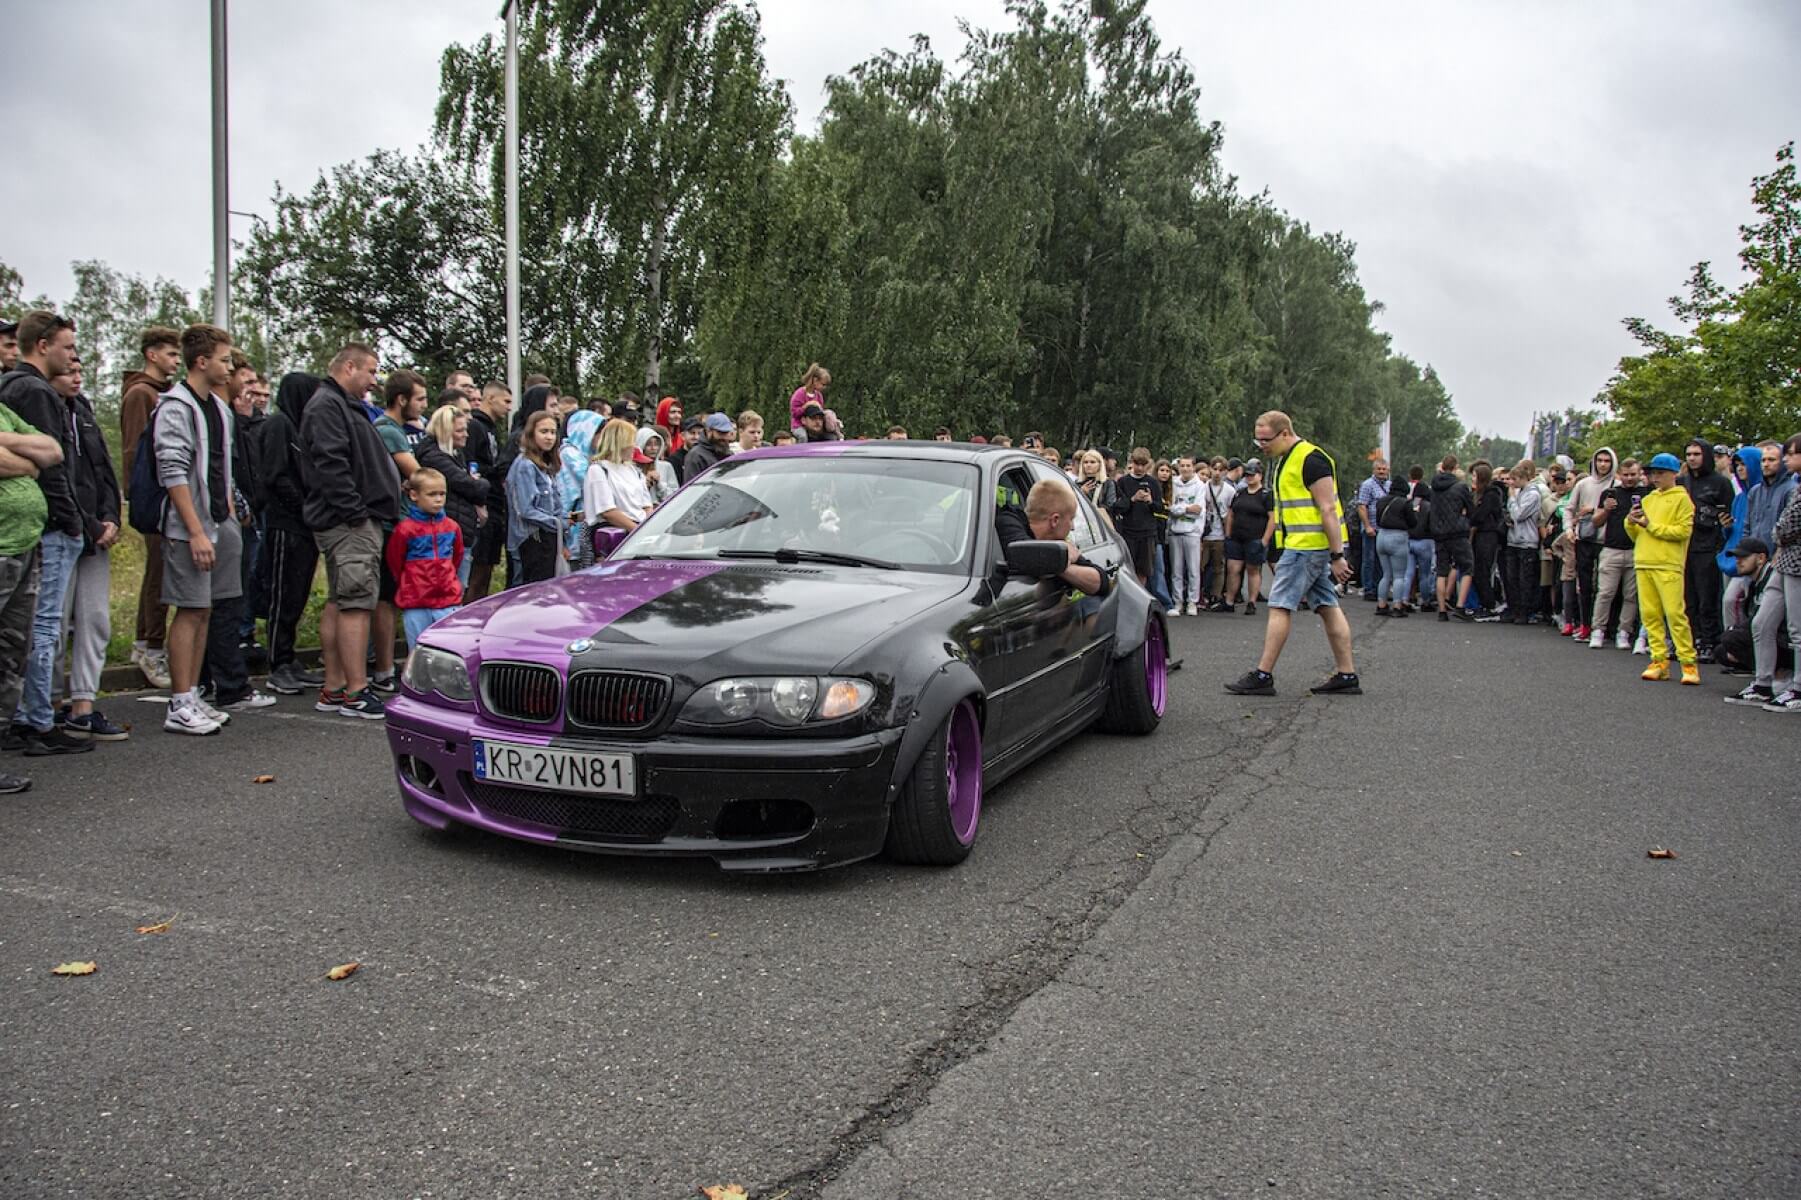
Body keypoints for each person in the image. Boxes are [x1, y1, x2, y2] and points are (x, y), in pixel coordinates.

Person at [0, 312, 92, 754]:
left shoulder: (24, 390)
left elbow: (50, 451)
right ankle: (35, 720)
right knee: (43, 628)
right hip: (47, 527)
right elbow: (48, 468)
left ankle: (25, 716)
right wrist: (71, 518)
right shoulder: (31, 390)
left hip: (42, 524)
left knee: (35, 629)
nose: (73, 356)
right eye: (68, 347)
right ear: (42, 346)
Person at [146, 324, 242, 735]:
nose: (230, 365)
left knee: (207, 609)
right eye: (224, 359)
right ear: (201, 362)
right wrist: (194, 530)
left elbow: (221, 466)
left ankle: (195, 694)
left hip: (221, 521)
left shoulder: (218, 408)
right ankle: (179, 701)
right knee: (189, 608)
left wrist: (230, 512)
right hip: (190, 528)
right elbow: (172, 470)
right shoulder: (175, 406)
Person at [1225, 411, 1358, 696]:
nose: (1261, 445)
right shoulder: (1287, 459)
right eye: (1257, 439)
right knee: (1326, 605)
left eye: (1266, 439)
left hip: (1306, 548)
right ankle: (1347, 675)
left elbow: (1328, 509)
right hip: (1305, 546)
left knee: (1280, 606)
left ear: (1284, 433)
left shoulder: (1311, 459)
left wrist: (1338, 556)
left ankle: (1263, 675)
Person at [301, 343, 401, 721]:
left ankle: (335, 685)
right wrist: (356, 513)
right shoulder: (327, 406)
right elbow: (331, 464)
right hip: (348, 523)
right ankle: (355, 691)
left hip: (352, 519)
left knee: (341, 601)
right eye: (371, 372)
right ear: (349, 366)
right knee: (357, 604)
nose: (374, 381)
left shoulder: (342, 405)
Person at [48, 357, 125, 740]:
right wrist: (88, 524)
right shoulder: (44, 410)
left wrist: (111, 516)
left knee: (95, 619)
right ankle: (49, 705)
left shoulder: (85, 411)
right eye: (68, 371)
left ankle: (83, 705)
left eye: (80, 371)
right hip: (67, 529)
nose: (76, 378)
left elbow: (103, 471)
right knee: (55, 624)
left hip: (97, 532)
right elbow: (59, 477)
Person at [0, 389, 62, 789]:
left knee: (10, 651)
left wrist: (9, 445)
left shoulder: (3, 411)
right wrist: (28, 461)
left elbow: (52, 451)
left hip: (24, 545)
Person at [254, 372, 325, 696]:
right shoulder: (279, 425)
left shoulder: (300, 427)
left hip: (305, 526)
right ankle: (277, 662)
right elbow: (275, 476)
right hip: (285, 525)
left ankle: (289, 657)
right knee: (282, 594)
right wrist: (304, 507)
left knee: (297, 594)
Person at [119, 326, 181, 689]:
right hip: (154, 500)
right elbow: (135, 451)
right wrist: (140, 498)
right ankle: (150, 646)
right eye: (170, 354)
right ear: (151, 355)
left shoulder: (166, 394)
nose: (175, 361)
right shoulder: (141, 395)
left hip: (168, 499)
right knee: (158, 574)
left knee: (162, 573)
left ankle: (147, 641)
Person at [1626, 453, 1699, 685]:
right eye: (1652, 473)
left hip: (1668, 564)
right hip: (1644, 561)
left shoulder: (1682, 499)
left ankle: (1688, 663)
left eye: (1660, 473)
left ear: (1673, 474)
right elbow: (1635, 535)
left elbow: (1682, 532)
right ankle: (1659, 660)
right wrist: (1631, 521)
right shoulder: (1648, 500)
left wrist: (1651, 525)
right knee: (1650, 616)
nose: (1655, 478)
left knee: (1675, 614)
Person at [1744, 435, 1801, 712]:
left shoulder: (1794, 488)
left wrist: (1779, 533)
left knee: (1797, 629)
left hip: (1797, 564)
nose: (1787, 459)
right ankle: (1762, 683)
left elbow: (1786, 527)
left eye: (1790, 454)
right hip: (1783, 562)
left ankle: (1799, 690)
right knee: (1761, 622)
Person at [416, 404, 490, 591]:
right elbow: (471, 486)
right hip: (445, 538)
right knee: (450, 590)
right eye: (460, 430)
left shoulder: (455, 457)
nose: (466, 434)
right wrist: (480, 485)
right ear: (446, 431)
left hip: (459, 533)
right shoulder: (435, 459)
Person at [386, 468, 463, 648]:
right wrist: (408, 583)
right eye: (431, 494)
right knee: (419, 650)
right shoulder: (405, 530)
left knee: (448, 650)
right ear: (414, 495)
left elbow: (457, 557)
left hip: (447, 600)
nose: (438, 499)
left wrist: (449, 580)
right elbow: (395, 561)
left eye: (442, 494)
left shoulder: (452, 527)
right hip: (416, 601)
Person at [995, 478, 1105, 596]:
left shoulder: (1059, 544)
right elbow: (1025, 555)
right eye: (1071, 519)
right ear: (1055, 520)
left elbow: (1101, 583)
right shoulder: (1008, 522)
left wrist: (1060, 564)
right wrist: (1059, 563)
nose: (1072, 527)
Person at [1679, 437, 1734, 661]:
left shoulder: (1720, 483)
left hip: (1709, 546)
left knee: (1706, 597)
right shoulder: (1682, 482)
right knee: (1687, 597)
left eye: (1697, 454)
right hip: (1684, 545)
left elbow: (1729, 515)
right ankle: (1690, 639)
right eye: (1689, 454)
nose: (1692, 458)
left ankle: (1709, 641)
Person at [463, 380, 512, 600]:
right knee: (476, 572)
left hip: (495, 504)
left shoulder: (492, 429)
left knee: (487, 570)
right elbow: (470, 465)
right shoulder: (474, 426)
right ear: (490, 398)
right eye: (506, 401)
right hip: (482, 503)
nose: (509, 407)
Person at [507, 409, 564, 584]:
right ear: (531, 434)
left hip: (547, 537)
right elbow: (525, 509)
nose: (549, 437)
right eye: (544, 432)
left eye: (553, 432)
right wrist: (556, 523)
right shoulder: (525, 465)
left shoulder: (545, 465)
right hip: (530, 539)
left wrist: (564, 519)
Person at [1567, 446, 1617, 639]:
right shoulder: (1584, 484)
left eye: (1607, 461)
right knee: (1585, 584)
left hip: (1608, 541)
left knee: (1606, 587)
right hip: (1585, 538)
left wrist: (1595, 509)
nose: (1603, 464)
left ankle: (1606, 626)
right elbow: (1570, 509)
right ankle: (1585, 623)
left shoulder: (1617, 484)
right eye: (1600, 460)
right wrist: (1569, 529)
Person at [1717, 539, 1779, 682]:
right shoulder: (1753, 583)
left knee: (1731, 638)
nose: (1738, 561)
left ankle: (1778, 675)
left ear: (1761, 558)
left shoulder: (1773, 580)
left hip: (1780, 636)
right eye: (1737, 557)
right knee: (1722, 651)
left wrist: (1735, 631)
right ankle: (1763, 670)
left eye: (1744, 557)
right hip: (1764, 634)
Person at [1426, 454, 1476, 622]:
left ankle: (1441, 610)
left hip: (1439, 532)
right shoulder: (1461, 487)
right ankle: (1460, 606)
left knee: (1441, 571)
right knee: (1467, 567)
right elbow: (1471, 510)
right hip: (1457, 532)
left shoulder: (1434, 487)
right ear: (1455, 467)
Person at [584, 418, 655, 535]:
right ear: (619, 442)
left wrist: (647, 527)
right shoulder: (598, 470)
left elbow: (647, 505)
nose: (635, 447)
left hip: (639, 529)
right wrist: (637, 532)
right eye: (631, 441)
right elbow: (607, 511)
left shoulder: (634, 471)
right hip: (615, 532)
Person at [1109, 448, 1165, 587]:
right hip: (1128, 531)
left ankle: (1141, 598)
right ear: (1131, 463)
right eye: (1136, 464)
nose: (1139, 468)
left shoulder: (1153, 483)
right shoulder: (1123, 482)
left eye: (1143, 464)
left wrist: (1151, 501)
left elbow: (1160, 508)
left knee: (1144, 570)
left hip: (1147, 532)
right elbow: (1117, 507)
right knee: (1127, 568)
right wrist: (1132, 499)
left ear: (1148, 464)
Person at [1223, 460, 1274, 613]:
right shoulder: (1239, 493)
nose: (1249, 478)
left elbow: (1273, 518)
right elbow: (1231, 513)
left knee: (1253, 569)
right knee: (1233, 568)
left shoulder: (1266, 495)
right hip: (1236, 537)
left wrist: (1265, 540)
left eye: (1252, 475)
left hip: (1255, 537)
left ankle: (1252, 601)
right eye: (1247, 475)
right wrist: (1228, 534)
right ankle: (1229, 601)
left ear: (1260, 476)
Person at [1467, 460, 1506, 620]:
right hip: (1481, 535)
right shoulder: (1481, 494)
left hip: (1488, 535)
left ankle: (1489, 605)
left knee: (1482, 571)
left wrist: (1471, 514)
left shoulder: (1491, 494)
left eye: (1475, 476)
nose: (1473, 479)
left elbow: (1479, 516)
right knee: (1478, 571)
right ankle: (1485, 603)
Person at [1372, 476, 1415, 618]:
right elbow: (1413, 522)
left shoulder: (1381, 501)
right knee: (1399, 576)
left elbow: (1377, 519)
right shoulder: (1405, 503)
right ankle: (1397, 606)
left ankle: (1381, 605)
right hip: (1398, 537)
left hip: (1381, 536)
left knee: (1386, 575)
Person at [1167, 456, 1204, 614]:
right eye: (1182, 466)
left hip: (1193, 532)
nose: (1185, 469)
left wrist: (1179, 508)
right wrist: (1185, 508)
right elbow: (1169, 507)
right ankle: (1178, 601)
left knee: (1193, 569)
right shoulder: (1173, 484)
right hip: (1175, 531)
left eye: (1188, 466)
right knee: (1176, 569)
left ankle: (1192, 602)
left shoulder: (1200, 485)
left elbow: (1198, 509)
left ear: (1193, 467)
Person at [1199, 459, 1235, 609]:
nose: (1217, 473)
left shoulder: (1229, 491)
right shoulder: (1203, 487)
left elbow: (1230, 514)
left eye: (1221, 470)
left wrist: (1228, 534)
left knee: (1218, 567)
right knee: (1200, 566)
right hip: (1204, 533)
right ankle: (1200, 595)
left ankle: (1216, 595)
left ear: (1226, 471)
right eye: (1215, 469)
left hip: (1219, 534)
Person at [1354, 459, 1389, 601]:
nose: (1381, 471)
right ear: (1373, 470)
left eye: (1384, 469)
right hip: (1371, 528)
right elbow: (1362, 506)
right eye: (1379, 469)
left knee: (1381, 561)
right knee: (1369, 560)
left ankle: (1379, 588)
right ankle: (1368, 588)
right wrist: (1367, 526)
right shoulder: (1367, 485)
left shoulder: (1389, 485)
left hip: (1384, 529)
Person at [683, 412, 735, 482]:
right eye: (720, 433)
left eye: (727, 433)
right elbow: (690, 487)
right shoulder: (695, 456)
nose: (724, 437)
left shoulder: (729, 454)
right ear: (709, 431)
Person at [790, 363, 829, 431]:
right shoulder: (799, 394)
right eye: (823, 384)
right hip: (799, 425)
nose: (824, 387)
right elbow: (794, 413)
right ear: (815, 380)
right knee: (803, 436)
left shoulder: (819, 396)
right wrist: (806, 406)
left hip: (815, 426)